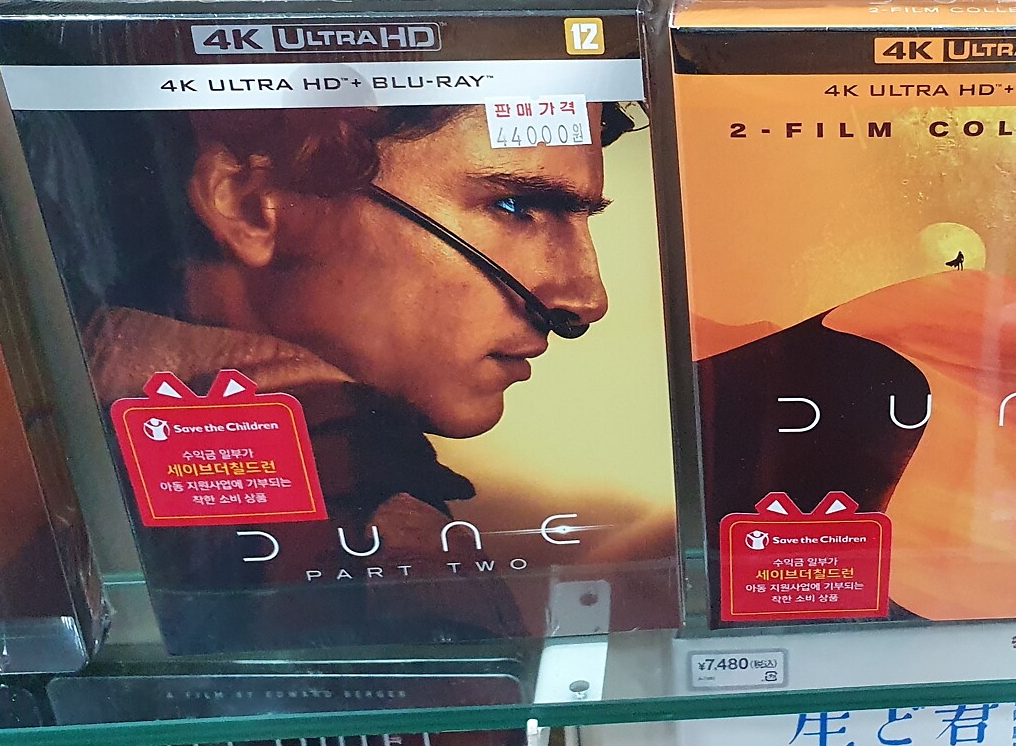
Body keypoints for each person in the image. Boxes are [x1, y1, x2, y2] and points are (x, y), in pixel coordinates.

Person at [79, 103, 633, 649]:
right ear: (249, 206)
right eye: (514, 206)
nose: (587, 297)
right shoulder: (377, 529)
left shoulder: (77, 401)